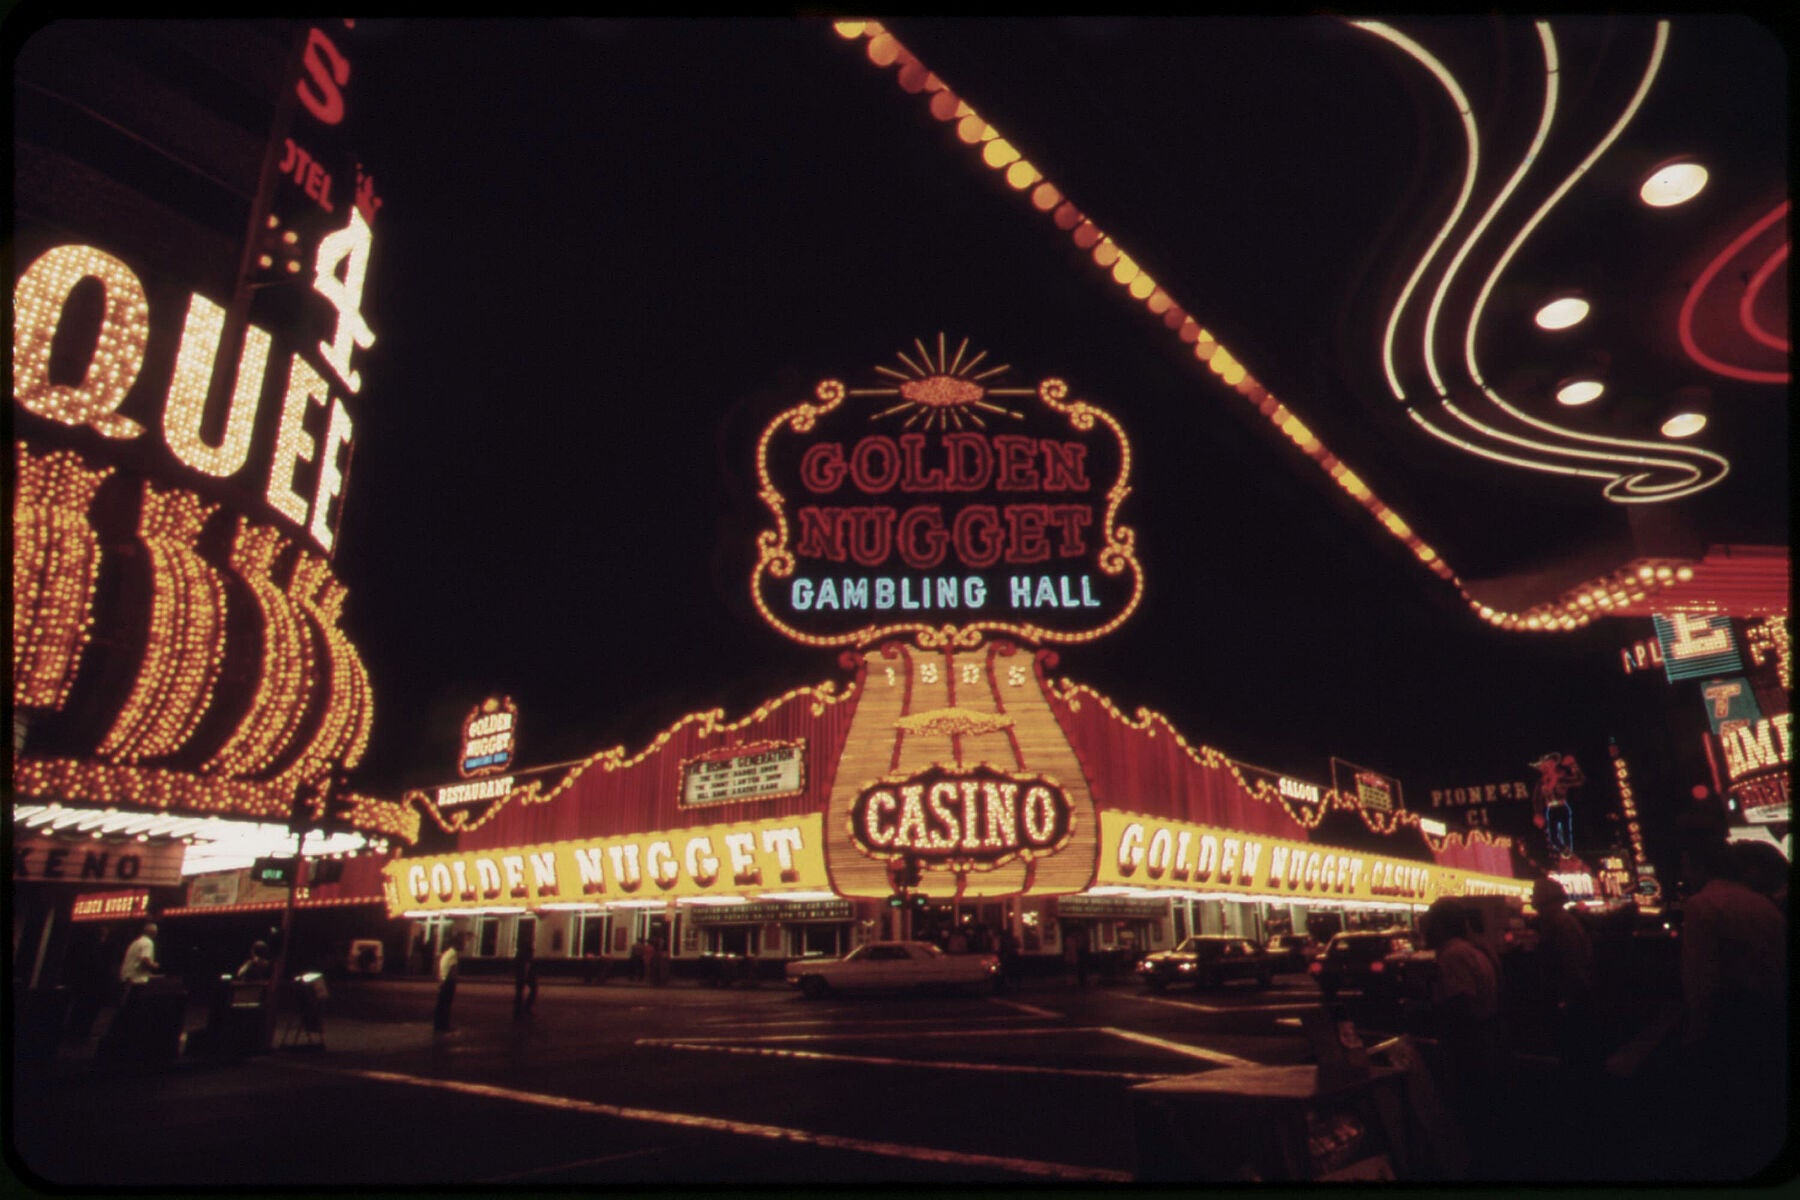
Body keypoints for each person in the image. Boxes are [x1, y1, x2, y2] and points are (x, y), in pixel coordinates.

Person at [1671, 828, 1786, 1176]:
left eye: (1687, 866)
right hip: (1769, 1014)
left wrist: (1696, 1032)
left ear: (1698, 866)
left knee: (1726, 1121)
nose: (1685, 874)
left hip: (1728, 1020)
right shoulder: (1762, 903)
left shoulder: (1703, 904)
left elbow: (1701, 978)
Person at [1422, 898, 1502, 1173]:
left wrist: (1427, 1013)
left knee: (1472, 1110)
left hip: (1470, 1044)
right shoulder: (1473, 949)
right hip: (1486, 1036)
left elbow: (1460, 1005)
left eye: (1429, 922)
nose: (1424, 928)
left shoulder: (1452, 956)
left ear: (1441, 926)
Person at [1531, 877, 1597, 1070]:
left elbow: (1571, 966)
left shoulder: (1561, 925)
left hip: (1573, 1001)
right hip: (1575, 998)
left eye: (1541, 907)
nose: (1539, 912)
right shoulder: (1563, 922)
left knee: (1575, 1056)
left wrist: (1565, 1000)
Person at [434, 932, 468, 1033]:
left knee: (441, 1005)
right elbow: (453, 971)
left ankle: (439, 1025)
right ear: (457, 944)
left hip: (444, 981)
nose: (464, 946)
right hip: (448, 982)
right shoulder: (453, 955)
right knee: (446, 1005)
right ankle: (443, 1026)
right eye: (463, 943)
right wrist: (454, 980)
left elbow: (440, 969)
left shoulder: (447, 953)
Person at [512, 934, 538, 1019]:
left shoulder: (519, 951)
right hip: (526, 974)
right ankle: (525, 1008)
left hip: (521, 974)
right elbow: (527, 963)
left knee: (519, 992)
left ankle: (518, 1011)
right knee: (533, 989)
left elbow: (517, 963)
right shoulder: (528, 950)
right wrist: (526, 974)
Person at [997, 927, 1022, 993]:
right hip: (1012, 958)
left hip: (1008, 959)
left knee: (1008, 973)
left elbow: (1001, 950)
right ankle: (1013, 986)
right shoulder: (1012, 940)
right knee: (1013, 974)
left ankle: (1010, 986)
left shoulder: (1004, 941)